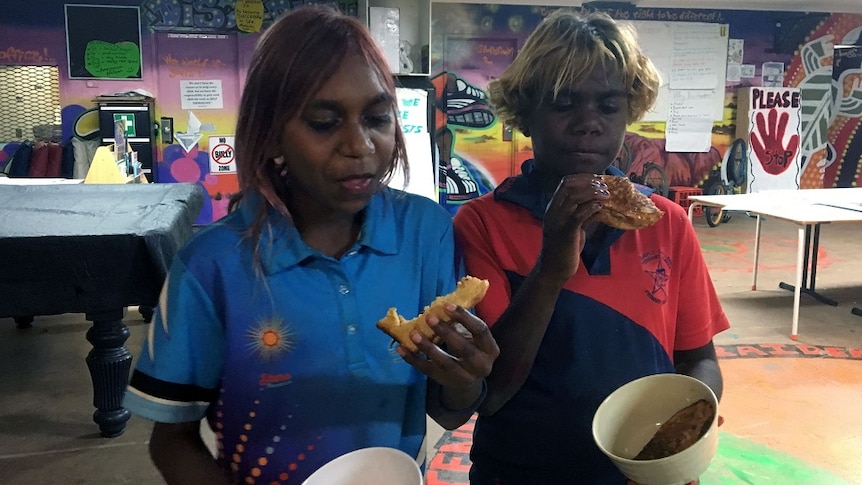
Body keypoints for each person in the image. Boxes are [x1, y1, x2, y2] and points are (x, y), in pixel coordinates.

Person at [123, 7, 498, 485]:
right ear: (272, 131)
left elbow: (445, 413)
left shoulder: (425, 233)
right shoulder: (212, 267)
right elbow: (171, 441)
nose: (360, 145)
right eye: (324, 122)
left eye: (378, 118)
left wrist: (466, 380)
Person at [452, 9, 730, 485]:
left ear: (629, 112)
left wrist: (689, 416)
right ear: (526, 112)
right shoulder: (482, 224)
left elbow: (697, 356)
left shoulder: (666, 222)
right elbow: (491, 392)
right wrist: (551, 268)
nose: (588, 124)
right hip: (522, 472)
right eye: (563, 104)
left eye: (607, 106)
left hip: (646, 473)